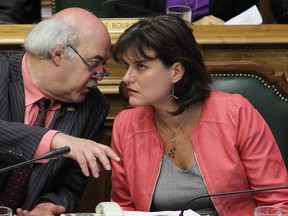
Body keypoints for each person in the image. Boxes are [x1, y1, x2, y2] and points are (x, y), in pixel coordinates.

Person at [110, 14, 288, 215]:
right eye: (127, 67)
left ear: (176, 72)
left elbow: (277, 203)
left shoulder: (236, 114)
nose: (127, 78)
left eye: (140, 66)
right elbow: (124, 209)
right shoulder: (126, 125)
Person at [0, 7, 120, 216]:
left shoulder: (94, 105)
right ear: (58, 53)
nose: (100, 75)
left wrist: (48, 205)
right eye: (94, 63)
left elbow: (72, 183)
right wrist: (53, 140)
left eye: (104, 64)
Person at [114, 0, 257, 24]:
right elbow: (130, 23)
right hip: (156, 54)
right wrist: (191, 29)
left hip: (218, 56)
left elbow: (244, 18)